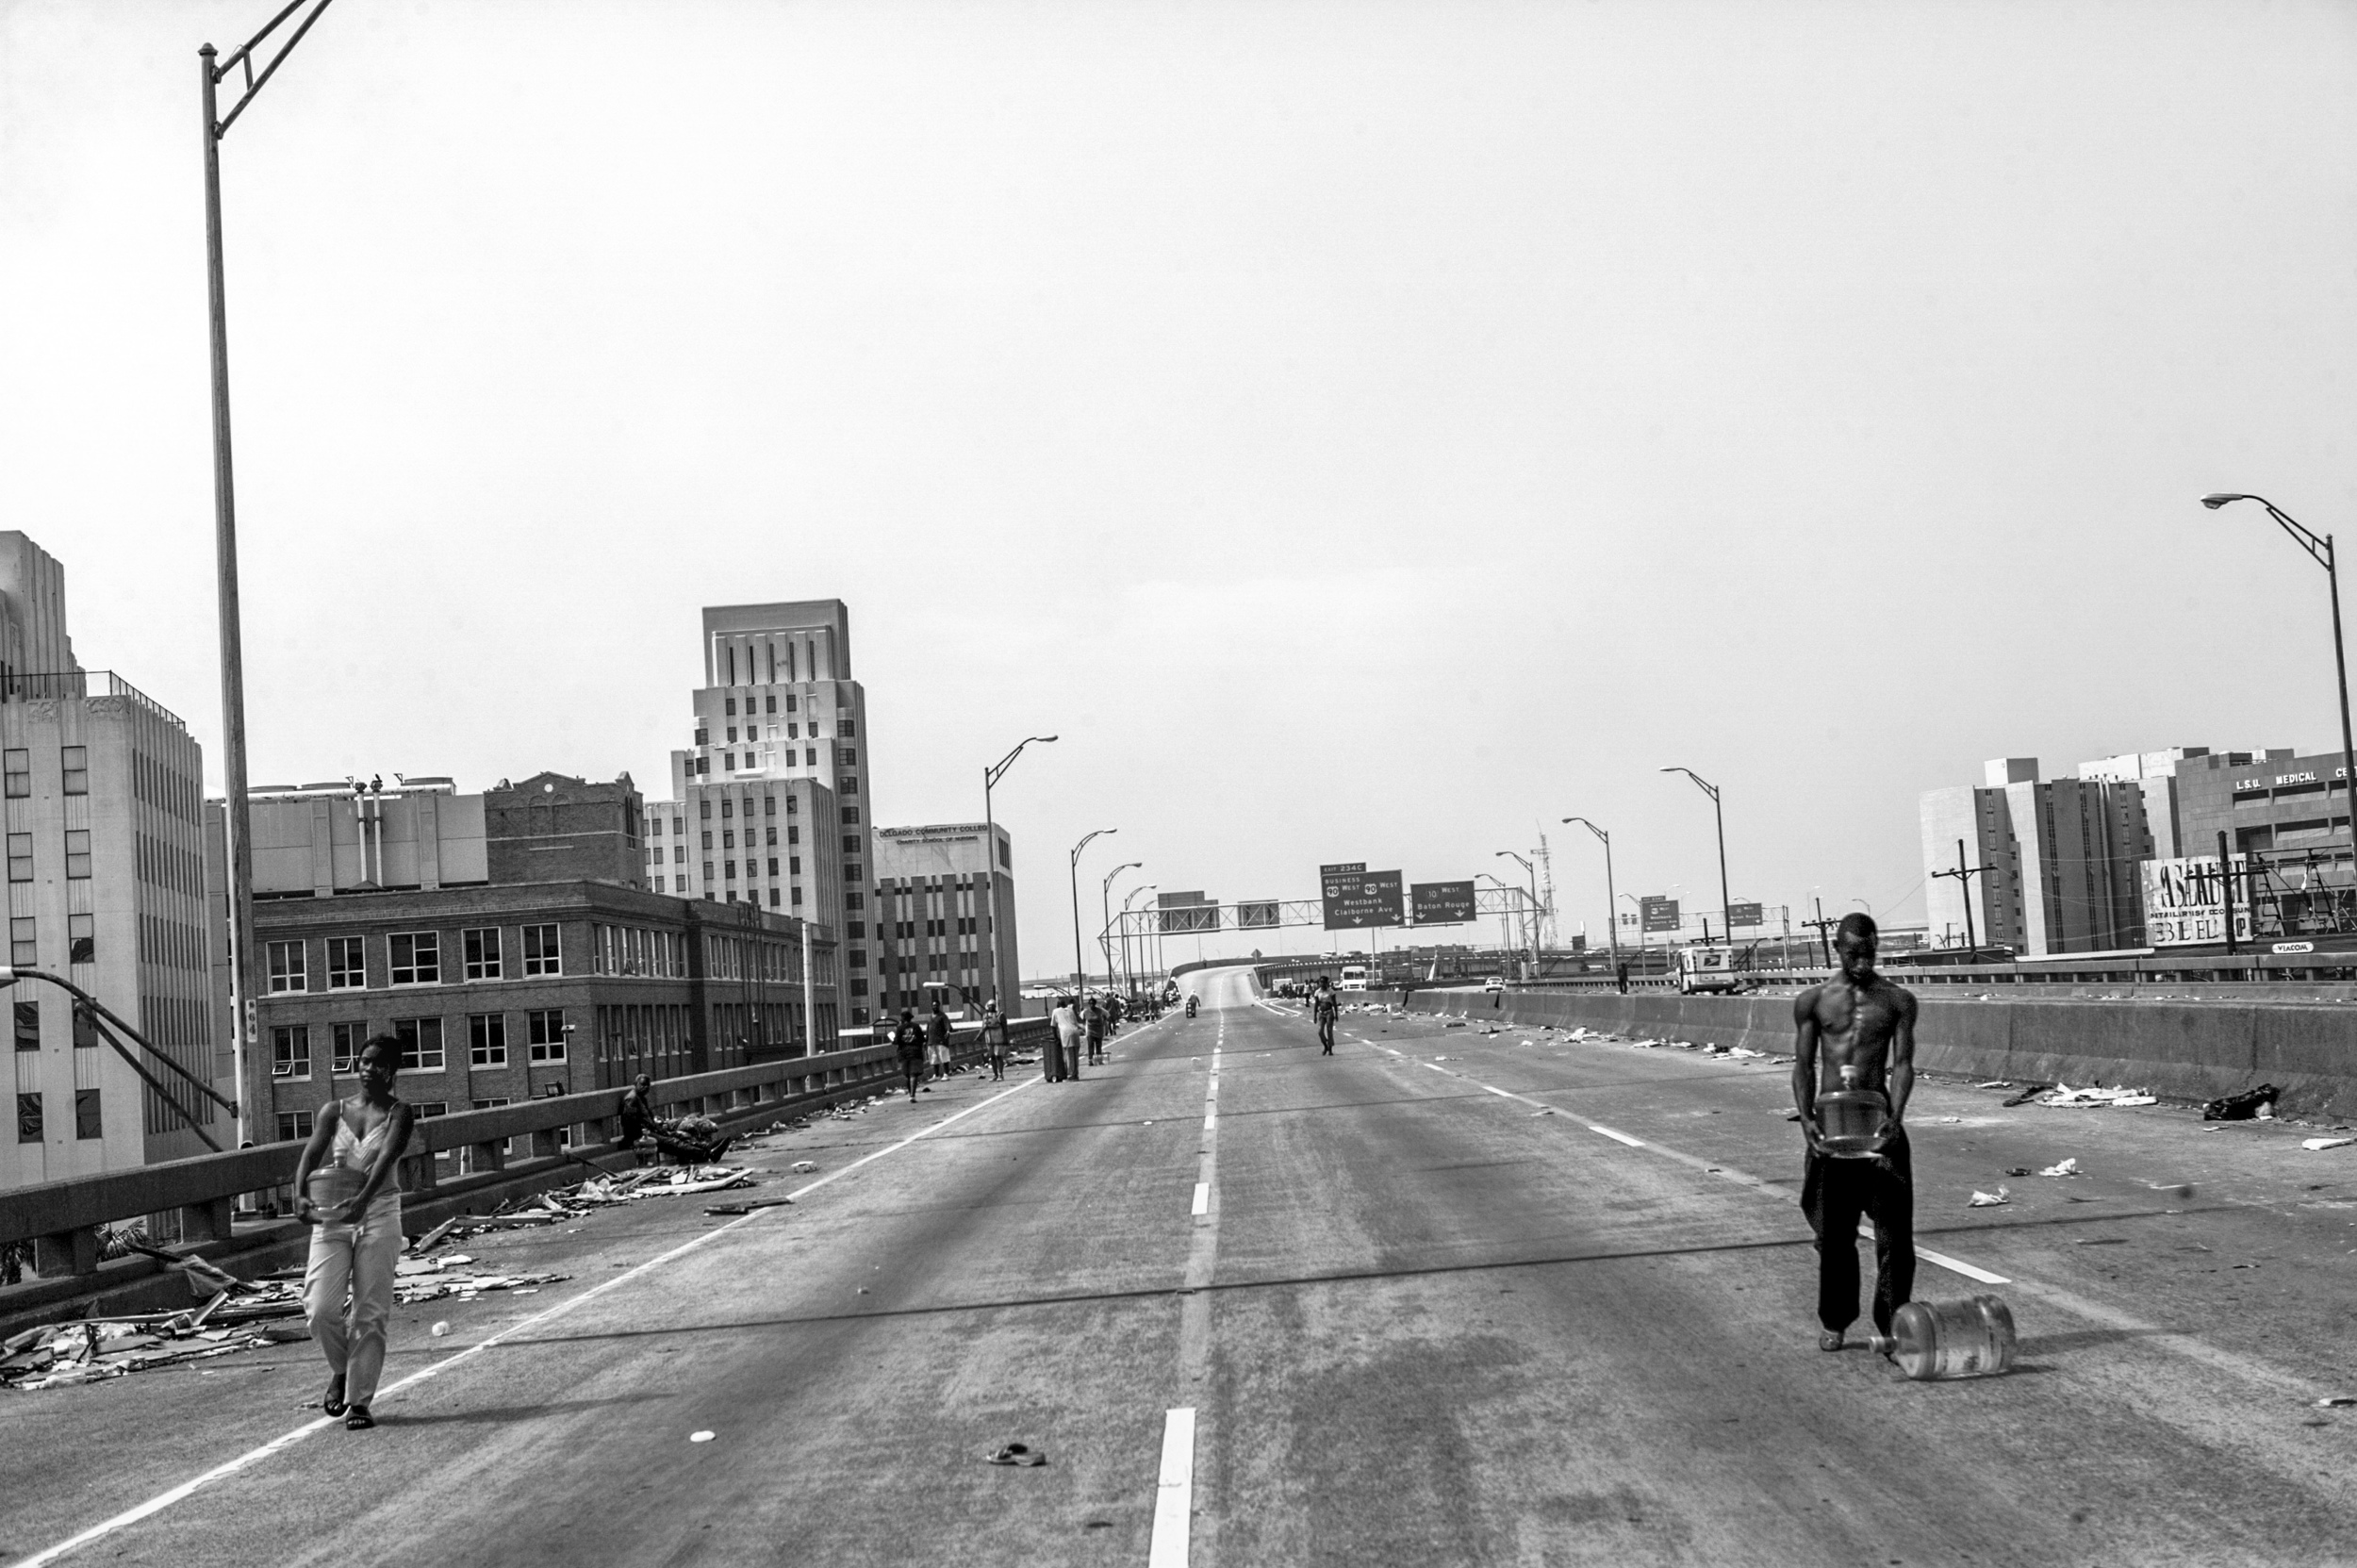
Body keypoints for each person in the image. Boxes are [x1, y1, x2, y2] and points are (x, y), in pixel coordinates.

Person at [1792, 912, 1918, 1352]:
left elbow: (1902, 1065)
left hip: (1879, 1127)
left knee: (1895, 1236)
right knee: (1835, 1236)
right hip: (1831, 1128)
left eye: (1869, 953)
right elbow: (1803, 1065)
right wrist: (1806, 1117)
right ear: (1837, 950)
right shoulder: (1814, 1001)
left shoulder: (1897, 1001)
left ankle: (1891, 1325)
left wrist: (1896, 1115)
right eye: (1853, 953)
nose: (1862, 962)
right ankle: (1836, 1321)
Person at [291, 1034, 415, 1431]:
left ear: (393, 1070)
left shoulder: (400, 1113)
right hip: (333, 1211)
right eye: (363, 1061)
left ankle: (359, 1402)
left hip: (379, 1210)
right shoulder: (334, 1111)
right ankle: (342, 1369)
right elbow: (311, 1154)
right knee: (320, 1308)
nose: (368, 1069)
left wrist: (364, 1198)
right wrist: (298, 1195)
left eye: (378, 1063)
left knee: (370, 1310)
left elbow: (386, 1158)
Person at [615, 1074, 656, 1164]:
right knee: (672, 1142)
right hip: (640, 1137)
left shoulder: (641, 1099)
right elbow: (629, 1122)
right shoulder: (632, 1100)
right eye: (642, 1084)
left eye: (647, 1086)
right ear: (635, 1084)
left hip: (648, 1133)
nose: (645, 1087)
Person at [894, 1008, 928, 1100]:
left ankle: (910, 1094)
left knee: (907, 1075)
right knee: (913, 1074)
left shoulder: (899, 1028)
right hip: (915, 1052)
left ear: (902, 1019)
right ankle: (912, 1095)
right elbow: (922, 1039)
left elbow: (896, 1041)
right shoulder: (916, 1027)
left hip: (903, 1054)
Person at [1047, 996, 1076, 1082]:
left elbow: (1053, 1026)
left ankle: (1070, 1075)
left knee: (1068, 1055)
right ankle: (1075, 1074)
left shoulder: (1055, 1011)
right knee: (1074, 1055)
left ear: (1057, 1005)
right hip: (1075, 1032)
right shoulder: (1070, 1010)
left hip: (1066, 1034)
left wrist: (1056, 1038)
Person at [1310, 976, 1339, 1054]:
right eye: (1321, 982)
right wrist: (1315, 1016)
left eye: (1324, 982)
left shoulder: (1331, 992)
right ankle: (1325, 1046)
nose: (1322, 984)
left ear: (1327, 983)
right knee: (1320, 1031)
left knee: (1329, 1030)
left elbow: (1334, 1003)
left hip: (1329, 1012)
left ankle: (1330, 1049)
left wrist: (1336, 1014)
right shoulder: (1317, 992)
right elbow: (1316, 1004)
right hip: (1321, 1013)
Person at [981, 1002, 1010, 1080]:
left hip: (999, 1039)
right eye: (990, 1006)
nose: (991, 1007)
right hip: (989, 1040)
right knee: (992, 1057)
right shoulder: (985, 1016)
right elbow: (983, 1028)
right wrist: (979, 1036)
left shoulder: (1000, 1015)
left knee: (998, 1056)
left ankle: (1001, 1074)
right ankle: (995, 1075)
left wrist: (1006, 1038)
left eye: (993, 1006)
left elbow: (1005, 1028)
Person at [926, 1000, 954, 1079]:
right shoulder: (930, 1017)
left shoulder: (943, 1016)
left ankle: (946, 1073)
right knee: (934, 1059)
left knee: (944, 1057)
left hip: (941, 1041)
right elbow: (928, 1029)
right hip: (931, 1041)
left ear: (939, 1006)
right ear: (931, 1006)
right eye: (933, 1005)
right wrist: (926, 1040)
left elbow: (948, 1026)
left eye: (936, 1005)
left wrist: (948, 1032)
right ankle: (936, 1074)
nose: (935, 1007)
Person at [1083, 995, 1109, 1065]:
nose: (1092, 1005)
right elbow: (1082, 1019)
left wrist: (1104, 1022)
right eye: (1090, 1004)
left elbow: (1107, 1015)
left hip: (1099, 1030)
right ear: (1089, 1004)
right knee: (1090, 1046)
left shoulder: (1100, 1010)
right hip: (1090, 1031)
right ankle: (1090, 1060)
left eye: (1093, 1003)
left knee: (1098, 1046)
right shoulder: (1086, 1012)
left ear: (1095, 1004)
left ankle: (1099, 1060)